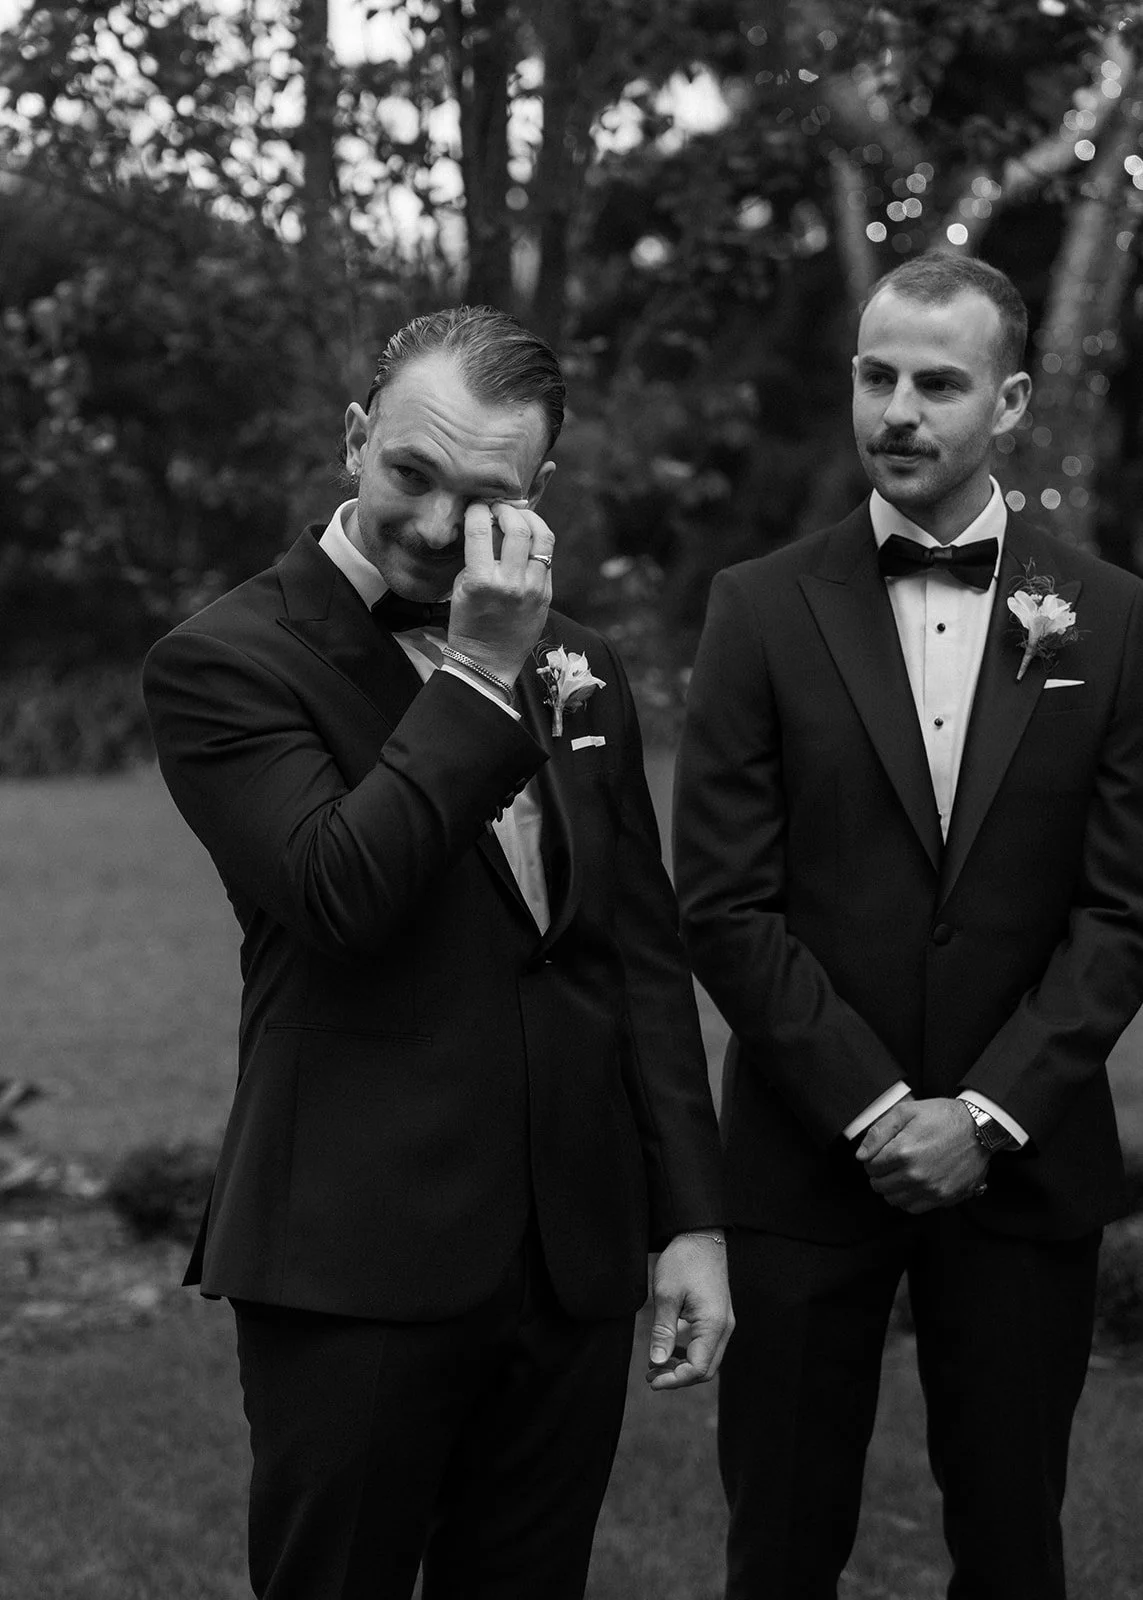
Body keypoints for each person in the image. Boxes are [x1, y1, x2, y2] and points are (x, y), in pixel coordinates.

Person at [143, 305, 732, 1600]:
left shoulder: (580, 664)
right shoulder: (226, 661)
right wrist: (478, 670)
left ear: (539, 494)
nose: (429, 522)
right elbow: (342, 890)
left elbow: (632, 952)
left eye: (482, 497)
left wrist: (687, 1219)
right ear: (356, 435)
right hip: (350, 1254)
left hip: (567, 1258)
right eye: (409, 471)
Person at [672, 252, 1143, 1599]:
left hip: (1021, 1164)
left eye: (936, 383)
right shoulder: (758, 610)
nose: (897, 409)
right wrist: (877, 1109)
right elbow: (722, 897)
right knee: (779, 1542)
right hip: (803, 1165)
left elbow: (1120, 907)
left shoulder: (1105, 620)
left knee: (1010, 1539)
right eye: (876, 375)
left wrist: (983, 1114)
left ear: (1005, 403)